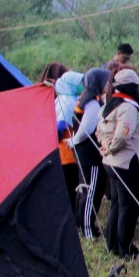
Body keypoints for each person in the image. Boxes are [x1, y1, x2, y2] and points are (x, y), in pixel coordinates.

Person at [98, 68, 139, 259]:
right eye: (136, 86)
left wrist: (106, 147)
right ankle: (126, 251)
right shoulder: (128, 107)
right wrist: (111, 147)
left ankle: (113, 244)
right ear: (130, 87)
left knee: (117, 204)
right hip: (128, 164)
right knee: (129, 208)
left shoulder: (109, 103)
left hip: (113, 163)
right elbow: (123, 135)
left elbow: (100, 130)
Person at [70, 68, 111, 238]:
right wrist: (74, 141)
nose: (108, 85)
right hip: (90, 153)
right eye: (106, 81)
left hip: (83, 152)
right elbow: (86, 129)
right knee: (91, 190)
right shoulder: (93, 103)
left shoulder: (85, 97)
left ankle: (82, 225)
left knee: (84, 189)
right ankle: (87, 230)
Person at [54, 70, 85, 212]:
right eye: (78, 84)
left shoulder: (66, 97)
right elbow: (60, 126)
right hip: (68, 153)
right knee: (71, 187)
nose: (81, 86)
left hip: (66, 151)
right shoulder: (67, 101)